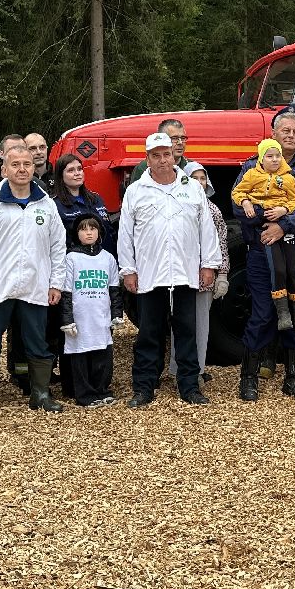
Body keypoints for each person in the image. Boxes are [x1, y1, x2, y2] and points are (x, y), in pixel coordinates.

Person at [0, 143, 67, 416]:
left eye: (27, 164)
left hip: (35, 285)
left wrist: (56, 283)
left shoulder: (46, 205)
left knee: (38, 341)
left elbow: (58, 247)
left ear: (33, 168)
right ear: (4, 169)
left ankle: (40, 394)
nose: (22, 169)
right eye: (16, 164)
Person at [234, 107, 295, 401]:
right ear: (273, 134)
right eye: (285, 131)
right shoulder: (252, 167)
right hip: (261, 252)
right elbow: (238, 204)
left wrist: (283, 225)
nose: (291, 135)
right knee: (262, 313)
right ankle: (248, 378)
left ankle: (294, 379)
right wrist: (267, 218)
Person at [120, 132, 220, 406]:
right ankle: (144, 387)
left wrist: (209, 264)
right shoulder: (136, 191)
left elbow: (206, 228)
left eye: (166, 154)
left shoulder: (192, 187)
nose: (163, 160)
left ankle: (189, 386)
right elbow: (125, 234)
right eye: (156, 155)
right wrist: (128, 269)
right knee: (149, 331)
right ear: (147, 159)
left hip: (186, 271)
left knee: (187, 329)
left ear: (173, 156)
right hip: (150, 272)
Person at [233, 138, 295, 333]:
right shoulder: (251, 174)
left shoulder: (288, 178)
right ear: (261, 159)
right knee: (278, 269)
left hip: (286, 228)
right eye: (269, 156)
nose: (275, 160)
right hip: (264, 229)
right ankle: (283, 313)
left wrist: (284, 210)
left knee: (294, 271)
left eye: (278, 156)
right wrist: (246, 203)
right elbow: (237, 192)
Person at [171, 162, 230, 382]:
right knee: (180, 324)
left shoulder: (213, 210)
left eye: (202, 178)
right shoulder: (176, 205)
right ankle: (178, 370)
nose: (199, 182)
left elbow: (221, 242)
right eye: (194, 178)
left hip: (205, 276)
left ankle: (198, 370)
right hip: (181, 275)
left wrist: (222, 274)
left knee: (201, 325)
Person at [59, 213, 123, 406]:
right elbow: (66, 292)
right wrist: (67, 319)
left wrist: (117, 314)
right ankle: (85, 394)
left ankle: (102, 390)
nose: (88, 233)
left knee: (102, 355)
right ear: (76, 233)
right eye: (83, 229)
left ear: (99, 232)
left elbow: (114, 290)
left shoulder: (108, 258)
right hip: (79, 319)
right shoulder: (71, 258)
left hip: (101, 318)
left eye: (92, 228)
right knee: (80, 356)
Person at [129, 118, 189, 182]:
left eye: (183, 138)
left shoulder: (191, 166)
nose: (180, 142)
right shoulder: (143, 168)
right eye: (174, 138)